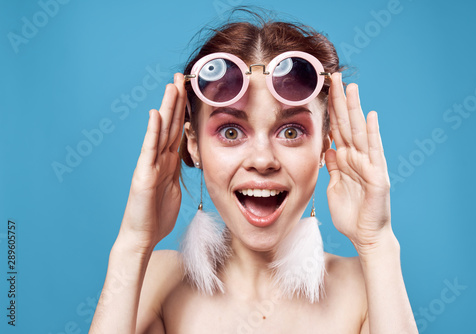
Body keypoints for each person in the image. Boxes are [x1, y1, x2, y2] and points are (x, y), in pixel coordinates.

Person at [90, 11, 418, 334]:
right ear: (193, 145)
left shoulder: (364, 291)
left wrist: (378, 244)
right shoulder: (157, 283)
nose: (262, 160)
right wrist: (133, 244)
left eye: (291, 132)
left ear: (324, 146)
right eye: (231, 132)